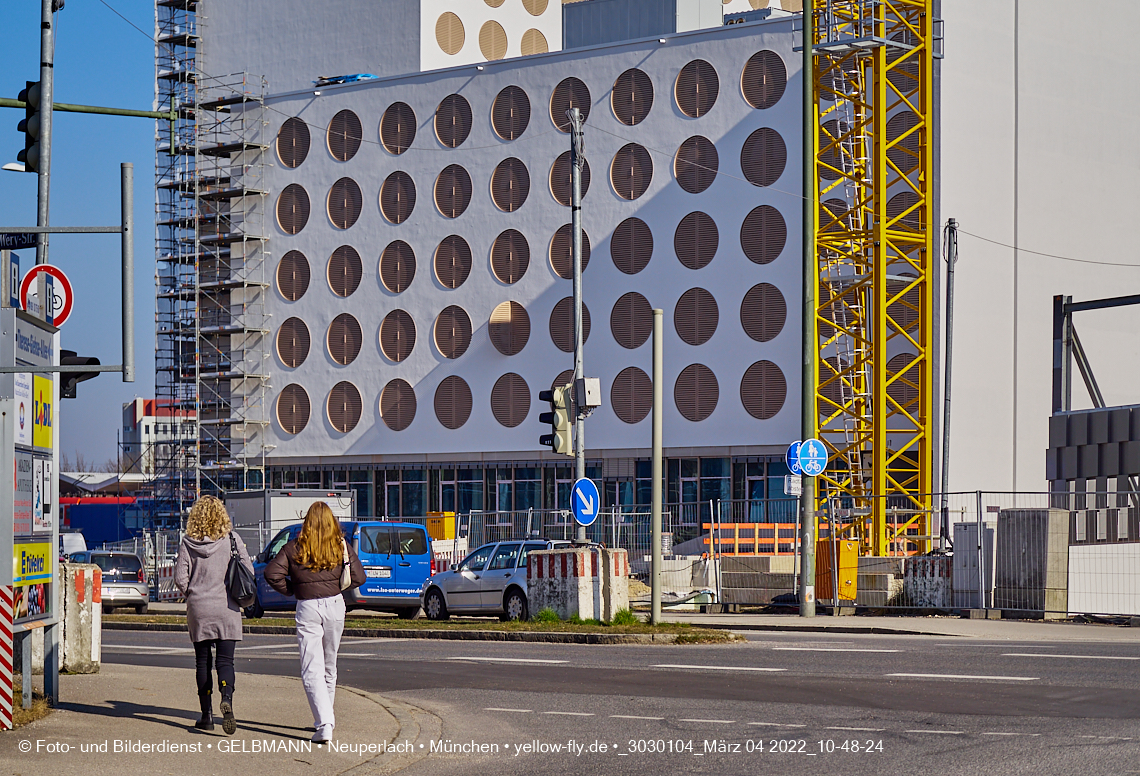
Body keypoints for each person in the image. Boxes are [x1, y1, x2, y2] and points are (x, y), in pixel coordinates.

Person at [264, 502, 365, 743]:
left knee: (312, 668)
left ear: (307, 522)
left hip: (308, 606)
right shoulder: (340, 546)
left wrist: (292, 589)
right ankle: (326, 719)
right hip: (335, 604)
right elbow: (360, 577)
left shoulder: (294, 547)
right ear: (332, 523)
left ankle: (324, 723)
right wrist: (337, 585)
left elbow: (271, 573)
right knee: (330, 666)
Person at [174, 495, 254, 735]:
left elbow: (180, 579)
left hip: (199, 609)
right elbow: (248, 571)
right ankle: (226, 697)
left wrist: (193, 593)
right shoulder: (232, 540)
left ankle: (206, 715)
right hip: (226, 608)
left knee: (203, 662)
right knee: (225, 661)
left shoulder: (188, 543)